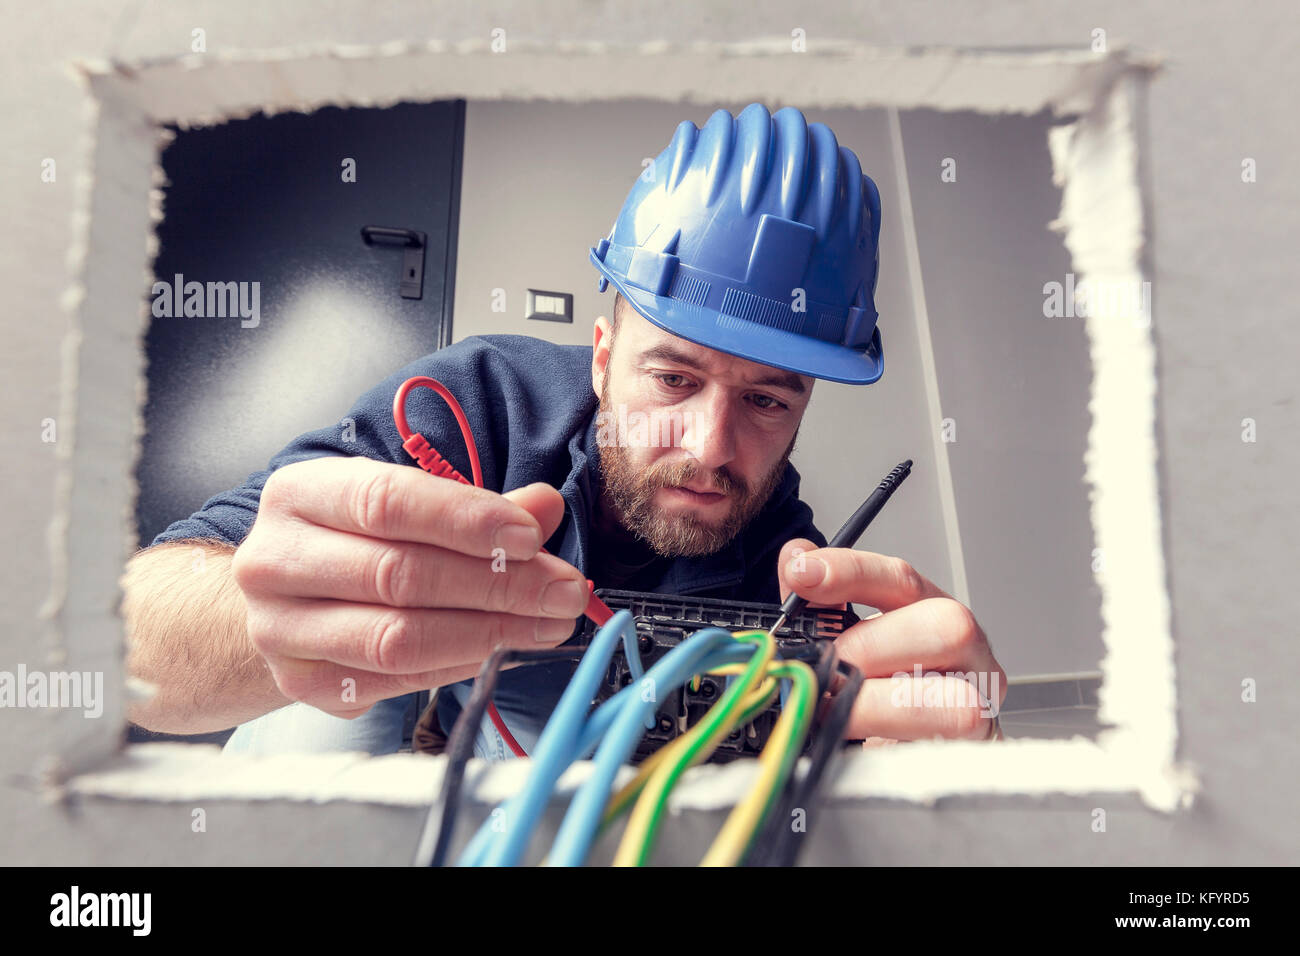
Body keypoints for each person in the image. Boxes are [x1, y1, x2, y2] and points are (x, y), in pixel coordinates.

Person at [123, 103, 1005, 758]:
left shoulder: (785, 562)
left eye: (768, 401)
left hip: (575, 762)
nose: (709, 446)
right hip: (397, 726)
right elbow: (138, 652)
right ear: (601, 356)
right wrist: (282, 618)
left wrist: (934, 781)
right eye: (672, 378)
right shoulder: (469, 407)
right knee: (305, 738)